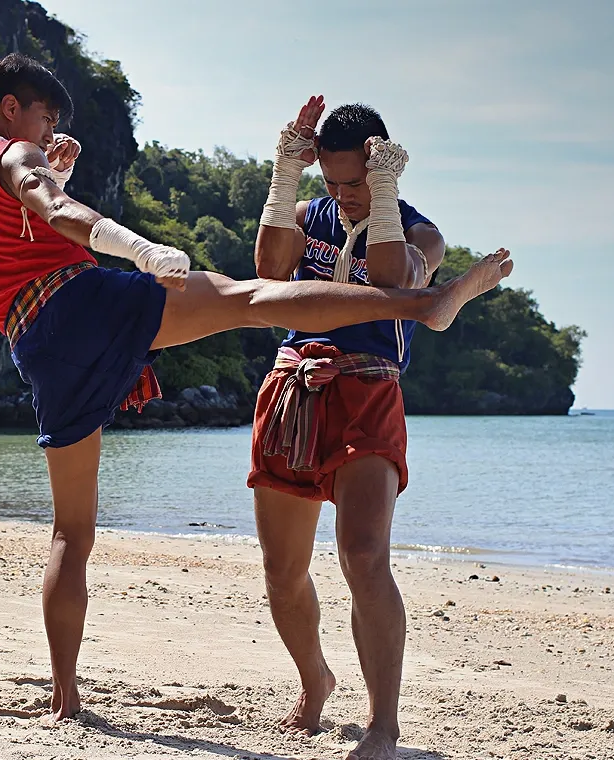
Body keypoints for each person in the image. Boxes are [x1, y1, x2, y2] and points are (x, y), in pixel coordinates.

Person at [0, 53, 513, 724]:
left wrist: (54, 168)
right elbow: (51, 203)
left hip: (37, 345)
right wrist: (138, 248)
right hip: (104, 313)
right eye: (44, 117)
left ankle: (65, 698)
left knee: (72, 532)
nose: (48, 130)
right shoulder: (8, 159)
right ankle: (431, 309)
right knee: (251, 297)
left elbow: (12, 238)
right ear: (10, 110)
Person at [249, 97, 470, 760]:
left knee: (364, 557)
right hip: (294, 386)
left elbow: (389, 280)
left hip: (369, 388)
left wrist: (381, 198)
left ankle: (383, 725)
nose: (341, 196)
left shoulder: (421, 233)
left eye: (356, 182)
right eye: (331, 182)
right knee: (282, 571)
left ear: (380, 167)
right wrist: (284, 176)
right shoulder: (306, 213)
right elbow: (268, 272)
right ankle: (315, 679)